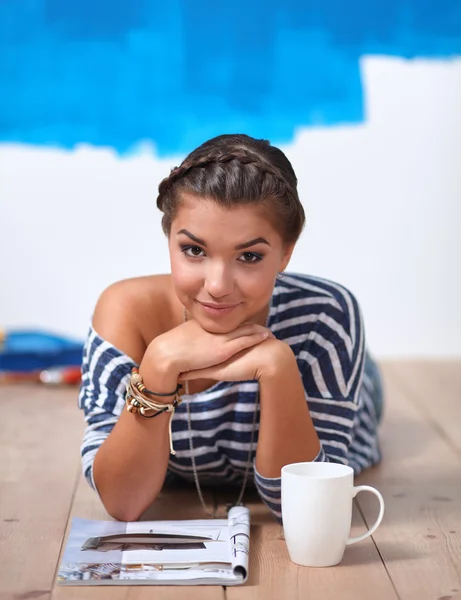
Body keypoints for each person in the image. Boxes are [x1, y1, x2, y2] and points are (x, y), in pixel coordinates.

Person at [78, 133, 383, 523]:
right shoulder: (125, 312)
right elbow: (122, 502)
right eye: (194, 250)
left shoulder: (325, 315)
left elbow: (308, 510)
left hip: (326, 368)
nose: (217, 286)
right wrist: (157, 365)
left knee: (361, 383)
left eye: (250, 256)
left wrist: (278, 367)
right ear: (169, 238)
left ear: (286, 253)